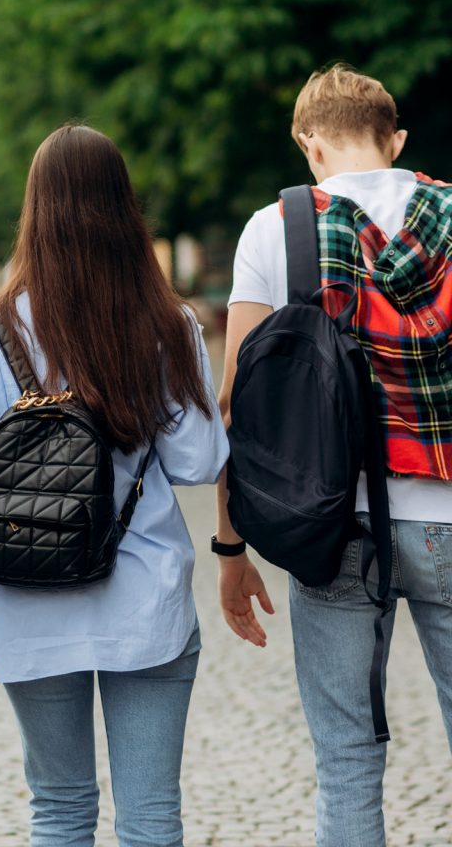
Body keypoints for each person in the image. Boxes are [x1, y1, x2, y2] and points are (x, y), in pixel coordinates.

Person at [0, 124, 229, 847]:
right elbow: (198, 462)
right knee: (150, 814)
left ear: (34, 211)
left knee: (60, 808)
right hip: (146, 596)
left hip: (27, 597)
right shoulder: (165, 323)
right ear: (124, 208)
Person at [216, 64, 452, 847]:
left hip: (336, 524)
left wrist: (231, 543)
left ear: (307, 144)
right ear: (399, 140)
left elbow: (236, 403)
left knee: (347, 756)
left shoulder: (275, 228)